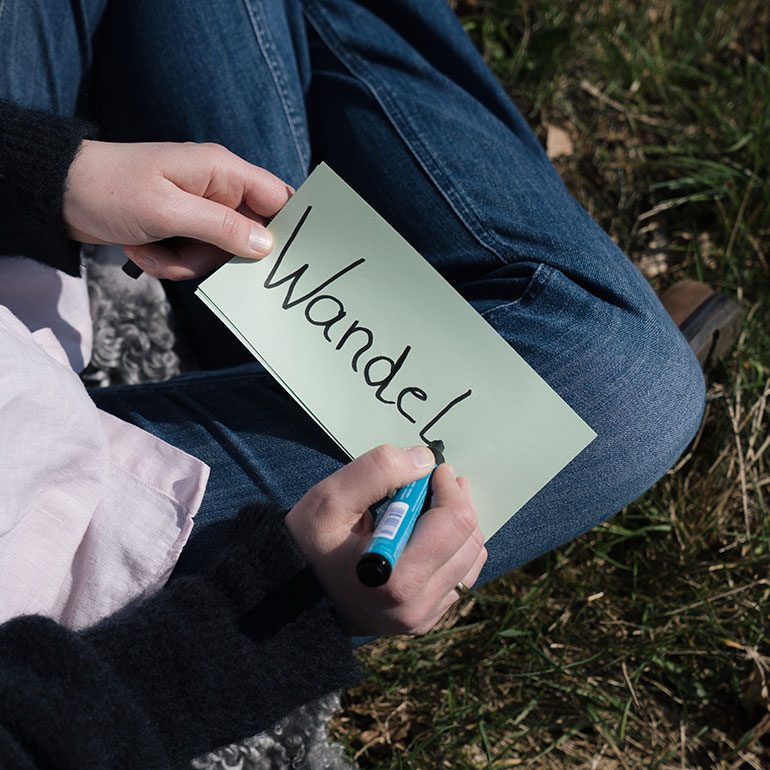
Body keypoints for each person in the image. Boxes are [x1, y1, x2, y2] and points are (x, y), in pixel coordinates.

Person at [0, 0, 710, 764]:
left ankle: (256, 334)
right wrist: (269, 609)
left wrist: (44, 171)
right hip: (58, 510)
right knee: (625, 382)